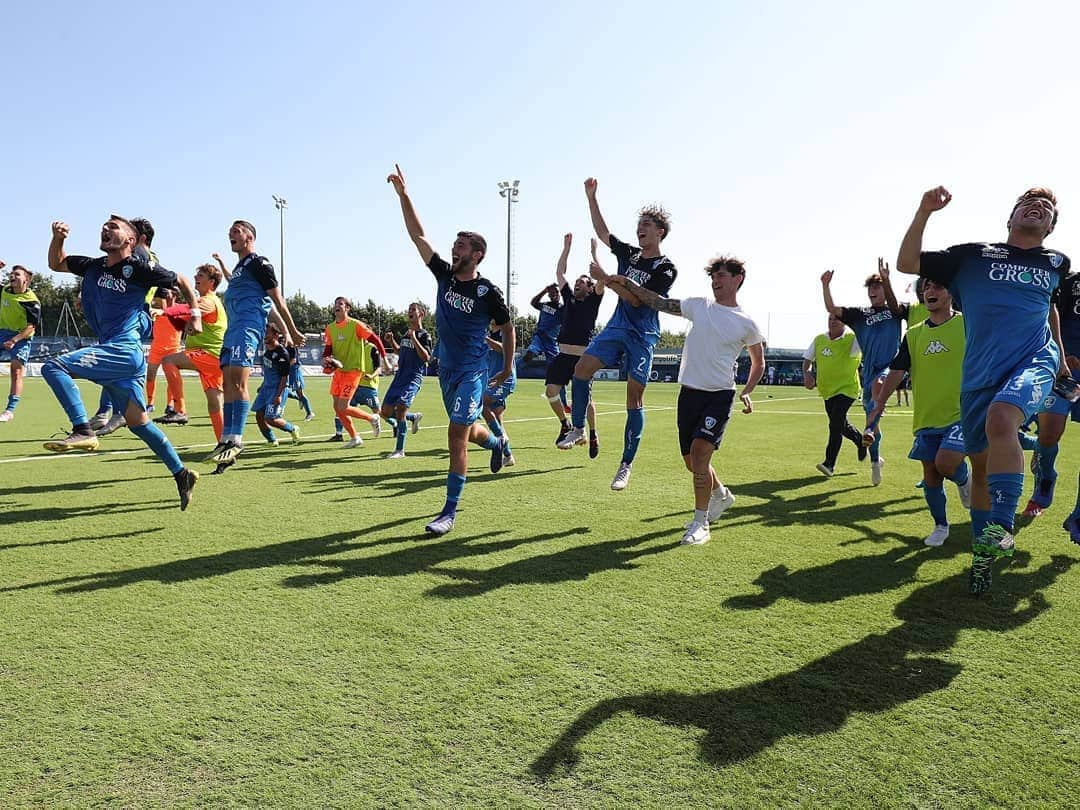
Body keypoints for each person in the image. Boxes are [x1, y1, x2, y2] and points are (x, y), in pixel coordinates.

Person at [897, 185, 1070, 594]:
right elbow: (907, 263)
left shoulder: (1056, 262)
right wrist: (924, 211)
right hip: (978, 375)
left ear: (1050, 228)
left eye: (1047, 208)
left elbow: (1049, 309)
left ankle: (1004, 527)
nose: (1038, 208)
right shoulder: (972, 257)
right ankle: (982, 557)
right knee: (979, 468)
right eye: (1028, 203)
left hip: (1032, 359)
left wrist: (1060, 357)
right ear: (1010, 219)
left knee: (1002, 417)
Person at [601, 254, 764, 545]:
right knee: (692, 462)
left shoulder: (747, 323)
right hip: (689, 393)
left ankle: (700, 523)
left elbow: (758, 362)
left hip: (719, 396)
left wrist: (747, 391)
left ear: (738, 279)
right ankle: (721, 495)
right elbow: (659, 302)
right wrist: (628, 284)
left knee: (701, 455)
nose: (715, 282)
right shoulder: (699, 306)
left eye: (722, 276)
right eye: (713, 277)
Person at [388, 164, 514, 535]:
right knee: (470, 431)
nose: (453, 248)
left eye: (461, 245)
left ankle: (449, 512)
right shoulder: (443, 274)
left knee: (455, 435)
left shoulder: (487, 291)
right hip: (445, 370)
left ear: (477, 255)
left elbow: (508, 329)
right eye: (454, 244)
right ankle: (497, 443)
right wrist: (404, 195)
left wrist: (506, 367)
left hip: (473, 371)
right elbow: (418, 236)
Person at [44, 216, 200, 509]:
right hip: (120, 354)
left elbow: (180, 279)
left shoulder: (139, 269)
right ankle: (182, 473)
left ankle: (83, 430)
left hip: (124, 350)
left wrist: (195, 315)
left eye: (114, 227)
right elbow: (56, 263)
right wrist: (58, 239)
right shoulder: (92, 266)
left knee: (53, 367)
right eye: (104, 225)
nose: (106, 228)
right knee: (138, 423)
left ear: (130, 240)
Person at [557, 178, 677, 494]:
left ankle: (625, 464)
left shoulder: (666, 268)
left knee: (633, 399)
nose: (641, 229)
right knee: (580, 370)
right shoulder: (630, 255)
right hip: (616, 328)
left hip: (643, 335)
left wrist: (608, 279)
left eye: (647, 225)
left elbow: (638, 299)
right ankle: (579, 428)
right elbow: (603, 232)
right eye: (639, 224)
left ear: (659, 232)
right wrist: (591, 197)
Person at [865, 280, 972, 546]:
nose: (930, 292)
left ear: (951, 293)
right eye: (926, 289)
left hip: (961, 413)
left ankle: (964, 479)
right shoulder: (913, 334)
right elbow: (898, 370)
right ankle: (940, 526)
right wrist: (879, 402)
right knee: (931, 474)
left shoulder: (968, 324)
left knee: (947, 463)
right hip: (926, 416)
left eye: (938, 287)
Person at [207, 221, 305, 468]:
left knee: (238, 382)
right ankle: (226, 438)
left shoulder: (259, 263)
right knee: (227, 382)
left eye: (236, 231)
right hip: (232, 331)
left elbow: (276, 301)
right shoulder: (240, 268)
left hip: (247, 329)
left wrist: (291, 330)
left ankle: (236, 441)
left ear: (250, 237)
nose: (231, 234)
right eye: (229, 231)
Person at [822, 261, 909, 486]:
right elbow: (832, 309)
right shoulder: (859, 314)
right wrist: (825, 285)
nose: (872, 291)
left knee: (880, 386)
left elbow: (894, 303)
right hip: (868, 374)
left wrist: (887, 280)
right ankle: (875, 461)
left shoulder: (893, 310)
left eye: (877, 287)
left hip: (891, 367)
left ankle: (868, 430)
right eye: (870, 288)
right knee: (873, 420)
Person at [1022, 267, 1080, 519]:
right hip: (1064, 370)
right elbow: (1050, 314)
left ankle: (1078, 514)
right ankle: (1046, 478)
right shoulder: (1071, 282)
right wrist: (1061, 356)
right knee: (1048, 435)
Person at [546, 235, 604, 454]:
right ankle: (565, 423)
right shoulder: (568, 298)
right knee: (551, 391)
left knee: (586, 400)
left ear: (589, 288)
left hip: (583, 359)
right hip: (563, 356)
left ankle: (593, 432)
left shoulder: (593, 300)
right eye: (577, 281)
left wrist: (594, 253)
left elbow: (601, 280)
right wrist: (566, 248)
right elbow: (560, 273)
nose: (578, 283)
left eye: (582, 282)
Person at [161, 263, 228, 441]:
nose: (196, 278)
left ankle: (180, 409)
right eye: (196, 274)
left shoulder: (208, 301)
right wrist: (170, 306)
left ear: (212, 282)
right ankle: (224, 443)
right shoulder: (207, 301)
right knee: (214, 404)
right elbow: (180, 319)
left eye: (201, 276)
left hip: (209, 354)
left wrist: (162, 310)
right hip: (214, 358)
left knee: (168, 361)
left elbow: (185, 310)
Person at [802, 313, 866, 476]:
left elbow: (869, 342)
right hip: (827, 390)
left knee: (835, 423)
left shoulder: (854, 339)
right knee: (840, 424)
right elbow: (807, 360)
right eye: (830, 319)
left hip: (847, 389)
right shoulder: (819, 339)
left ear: (845, 322)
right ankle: (860, 441)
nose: (832, 322)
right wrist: (807, 374)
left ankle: (829, 463)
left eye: (836, 319)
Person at [323, 296, 387, 448]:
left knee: (343, 407)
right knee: (337, 408)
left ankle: (372, 418)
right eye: (335, 303)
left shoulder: (356, 325)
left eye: (341, 303)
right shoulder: (330, 328)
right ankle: (355, 437)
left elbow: (376, 340)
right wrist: (325, 359)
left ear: (347, 308)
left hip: (353, 371)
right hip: (339, 372)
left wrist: (385, 359)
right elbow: (328, 349)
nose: (337, 306)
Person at [380, 302, 431, 458]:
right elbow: (401, 352)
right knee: (385, 412)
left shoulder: (424, 335)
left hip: (413, 379)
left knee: (401, 408)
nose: (409, 312)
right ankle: (413, 417)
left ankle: (399, 450)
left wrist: (414, 338)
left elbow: (426, 357)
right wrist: (391, 341)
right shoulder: (406, 334)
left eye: (413, 310)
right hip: (399, 378)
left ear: (421, 314)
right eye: (409, 310)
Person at [0, 262, 41, 422]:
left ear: (26, 280)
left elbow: (31, 327)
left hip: (21, 336)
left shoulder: (31, 301)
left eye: (17, 274)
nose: (13, 276)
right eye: (12, 274)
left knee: (16, 370)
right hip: (2, 331)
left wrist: (14, 340)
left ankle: (9, 411)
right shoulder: (4, 290)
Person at [253, 323, 301, 447]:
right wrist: (262, 384)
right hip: (266, 389)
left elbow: (284, 377)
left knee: (271, 418)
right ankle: (272, 440)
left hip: (277, 389)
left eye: (267, 332)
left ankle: (292, 428)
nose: (264, 335)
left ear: (276, 335)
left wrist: (278, 395)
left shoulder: (282, 354)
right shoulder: (266, 353)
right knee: (259, 415)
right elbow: (269, 372)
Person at [145, 285, 186, 422]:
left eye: (170, 291)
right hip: (157, 348)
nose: (166, 294)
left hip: (173, 348)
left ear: (175, 295)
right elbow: (148, 305)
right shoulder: (156, 308)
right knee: (150, 376)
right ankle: (150, 403)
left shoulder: (180, 309)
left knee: (172, 379)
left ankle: (170, 405)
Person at [483, 325, 517, 467]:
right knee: (496, 418)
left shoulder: (507, 331)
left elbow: (505, 349)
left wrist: (485, 339)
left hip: (505, 378)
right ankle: (508, 456)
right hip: (492, 379)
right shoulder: (488, 332)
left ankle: (500, 438)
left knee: (481, 402)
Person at [523, 282, 564, 364]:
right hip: (540, 337)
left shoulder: (562, 309)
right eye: (552, 292)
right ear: (549, 295)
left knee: (556, 365)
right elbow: (533, 303)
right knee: (529, 355)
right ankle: (512, 371)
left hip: (552, 341)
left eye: (556, 292)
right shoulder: (544, 305)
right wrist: (545, 291)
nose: (554, 294)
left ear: (560, 294)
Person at [285, 343, 315, 421]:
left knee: (300, 393)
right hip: (289, 372)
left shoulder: (291, 346)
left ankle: (309, 413)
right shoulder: (285, 346)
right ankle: (298, 398)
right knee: (283, 390)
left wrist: (284, 367)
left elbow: (293, 360)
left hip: (295, 372)